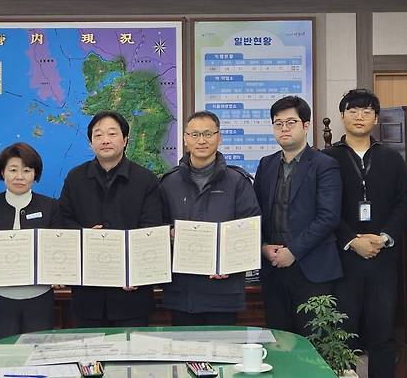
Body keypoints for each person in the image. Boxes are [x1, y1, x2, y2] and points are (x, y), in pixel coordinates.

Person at [323, 89, 407, 378]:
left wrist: (383, 238)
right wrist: (351, 240)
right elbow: (325, 207)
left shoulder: (392, 158)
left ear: (376, 118)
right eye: (352, 110)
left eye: (366, 111)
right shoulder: (327, 158)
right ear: (342, 116)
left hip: (383, 256)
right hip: (342, 257)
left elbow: (402, 203)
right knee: (342, 330)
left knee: (383, 330)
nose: (359, 116)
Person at [59, 111, 163, 328]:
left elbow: (152, 229)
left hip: (131, 294)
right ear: (91, 143)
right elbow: (63, 221)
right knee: (89, 350)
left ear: (125, 140)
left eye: (112, 133)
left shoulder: (145, 180)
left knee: (130, 350)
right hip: (88, 294)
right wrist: (85, 236)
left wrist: (137, 273)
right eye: (98, 135)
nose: (105, 140)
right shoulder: (75, 178)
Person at [160, 111, 261, 325]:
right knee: (183, 346)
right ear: (185, 139)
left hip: (224, 291)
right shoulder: (168, 183)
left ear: (219, 137)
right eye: (195, 134)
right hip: (182, 292)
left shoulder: (237, 181)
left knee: (223, 346)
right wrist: (168, 233)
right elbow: (155, 227)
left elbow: (251, 229)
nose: (202, 140)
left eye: (208, 134)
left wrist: (229, 263)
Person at [253, 95, 342, 334]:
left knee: (312, 344)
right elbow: (255, 213)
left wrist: (293, 251)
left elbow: (328, 217)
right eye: (278, 123)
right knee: (279, 340)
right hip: (273, 268)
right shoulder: (266, 164)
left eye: (290, 122)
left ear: (305, 125)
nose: (284, 128)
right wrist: (262, 247)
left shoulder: (325, 164)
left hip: (312, 270)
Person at [0, 142, 60, 341]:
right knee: (5, 353)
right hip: (2, 297)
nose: (19, 176)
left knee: (38, 353)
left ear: (35, 174)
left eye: (27, 170)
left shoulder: (50, 206)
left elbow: (58, 249)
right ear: (2, 172)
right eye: (13, 170)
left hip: (40, 296)